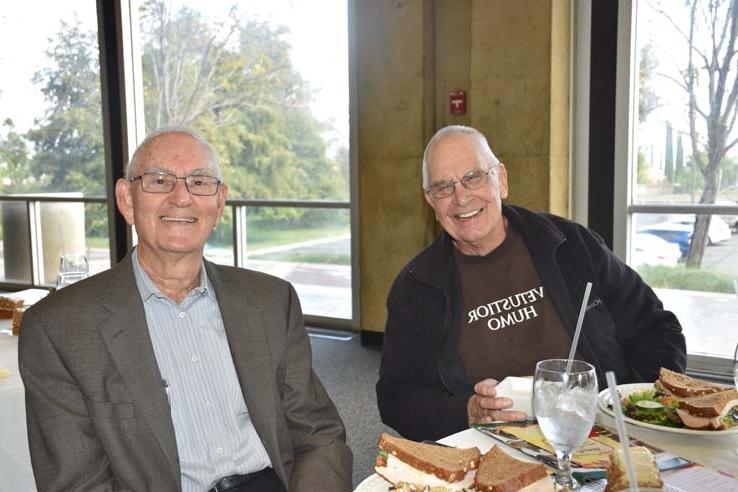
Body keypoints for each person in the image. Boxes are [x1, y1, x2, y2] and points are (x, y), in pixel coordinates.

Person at [19, 127, 352, 492]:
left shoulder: (271, 301)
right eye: (159, 181)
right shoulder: (59, 328)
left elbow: (319, 434)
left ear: (219, 202)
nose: (182, 197)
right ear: (126, 199)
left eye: (200, 181)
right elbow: (79, 483)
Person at [376, 125, 686, 441]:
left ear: (502, 180)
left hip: (600, 430)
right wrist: (468, 411)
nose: (461, 197)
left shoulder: (572, 246)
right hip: (491, 445)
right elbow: (396, 397)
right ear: (430, 201)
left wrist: (636, 410)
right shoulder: (416, 287)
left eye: (473, 177)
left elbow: (658, 329)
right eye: (443, 187)